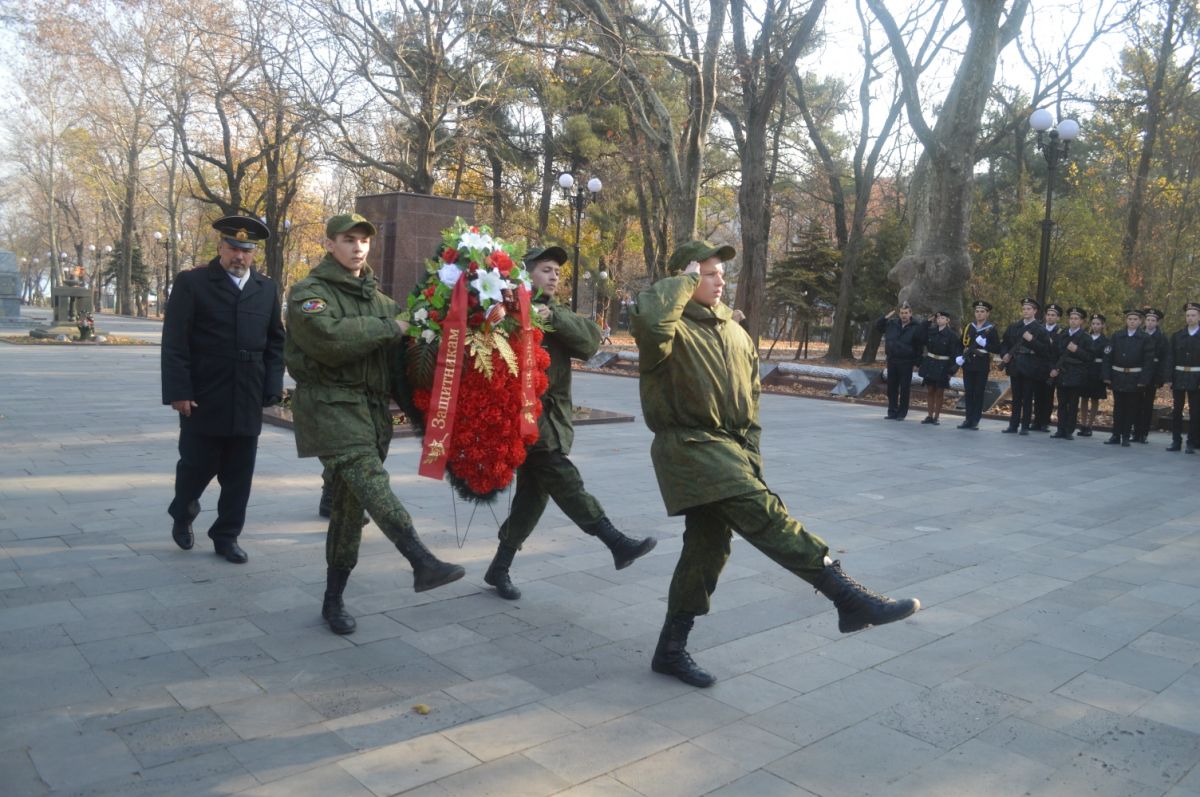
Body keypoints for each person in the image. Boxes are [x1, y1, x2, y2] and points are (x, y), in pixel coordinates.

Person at [631, 240, 920, 688]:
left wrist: (751, 463)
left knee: (707, 548)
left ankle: (671, 649)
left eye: (720, 273)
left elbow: (751, 407)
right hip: (688, 445)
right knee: (767, 519)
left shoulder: (736, 333)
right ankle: (848, 597)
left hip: (730, 450)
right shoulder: (667, 329)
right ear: (682, 279)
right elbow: (650, 321)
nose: (719, 279)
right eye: (706, 272)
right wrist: (684, 280)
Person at [285, 213, 465, 635]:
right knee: (371, 480)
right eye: (348, 240)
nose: (358, 247)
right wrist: (391, 327)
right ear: (330, 244)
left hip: (370, 415)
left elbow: (400, 372)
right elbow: (328, 339)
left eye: (364, 240)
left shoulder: (384, 303)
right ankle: (421, 559)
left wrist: (434, 420)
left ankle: (333, 599)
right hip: (331, 406)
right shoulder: (309, 292)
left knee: (349, 512)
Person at [483, 245, 656, 600]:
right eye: (546, 269)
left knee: (533, 498)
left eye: (557, 272)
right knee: (563, 478)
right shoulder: (506, 308)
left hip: (552, 418)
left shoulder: (556, 313)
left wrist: (553, 318)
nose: (554, 276)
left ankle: (499, 567)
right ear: (527, 273)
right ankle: (614, 540)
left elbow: (591, 342)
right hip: (523, 419)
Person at [161, 215, 285, 564]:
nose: (239, 256)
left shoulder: (266, 289)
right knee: (195, 466)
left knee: (239, 475)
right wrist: (178, 391)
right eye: (233, 248)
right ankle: (182, 512)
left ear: (254, 253)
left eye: (246, 250)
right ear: (221, 247)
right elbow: (175, 342)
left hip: (247, 394)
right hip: (204, 393)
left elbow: (276, 342)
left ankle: (226, 535)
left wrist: (272, 386)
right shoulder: (193, 283)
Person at [1103, 309, 1155, 447]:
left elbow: (1148, 362)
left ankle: (1126, 435)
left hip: (1134, 377)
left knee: (1131, 408)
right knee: (1118, 407)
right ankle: (1115, 434)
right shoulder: (1117, 335)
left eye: (1135, 319)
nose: (1132, 322)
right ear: (1126, 320)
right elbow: (1108, 357)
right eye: (1130, 319)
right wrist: (1107, 376)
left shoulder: (1145, 338)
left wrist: (1143, 380)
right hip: (1118, 376)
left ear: (1140, 322)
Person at [999, 298, 1051, 435]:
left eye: (1029, 309)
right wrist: (1004, 354)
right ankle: (1013, 425)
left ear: (1035, 311)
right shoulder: (1014, 327)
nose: (1026, 311)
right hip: (1015, 364)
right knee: (1016, 397)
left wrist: (1031, 340)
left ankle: (1025, 426)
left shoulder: (1040, 329)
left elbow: (1045, 350)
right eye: (1024, 309)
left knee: (1028, 397)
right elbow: (1005, 343)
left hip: (1030, 365)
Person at [875, 304, 925, 420]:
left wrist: (917, 362)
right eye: (902, 313)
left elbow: (919, 346)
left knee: (904, 388)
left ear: (910, 314)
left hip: (907, 361)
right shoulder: (892, 324)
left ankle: (902, 413)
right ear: (899, 314)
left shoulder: (916, 326)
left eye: (906, 313)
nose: (904, 315)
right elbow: (878, 327)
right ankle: (892, 411)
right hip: (892, 360)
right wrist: (885, 317)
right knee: (891, 387)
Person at [1049, 307, 1092, 440]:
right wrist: (1053, 368)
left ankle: (1069, 430)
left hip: (1076, 373)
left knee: (1072, 404)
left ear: (1081, 321)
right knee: (1061, 403)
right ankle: (1060, 429)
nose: (1073, 321)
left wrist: (1077, 350)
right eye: (1071, 318)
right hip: (1062, 373)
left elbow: (1089, 357)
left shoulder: (1085, 337)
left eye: (1076, 319)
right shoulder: (1061, 334)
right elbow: (1053, 354)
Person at [956, 300, 1000, 430]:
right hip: (968, 363)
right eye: (977, 311)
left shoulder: (991, 329)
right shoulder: (969, 327)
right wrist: (958, 356)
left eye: (982, 312)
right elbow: (960, 344)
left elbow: (997, 348)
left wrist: (985, 344)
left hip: (981, 364)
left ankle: (975, 420)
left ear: (987, 314)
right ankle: (968, 419)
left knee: (978, 392)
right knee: (969, 391)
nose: (979, 314)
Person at [1164, 302, 1200, 453]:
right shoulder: (1178, 336)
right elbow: (1170, 358)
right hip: (1179, 376)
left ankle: (1191, 441)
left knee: (1195, 411)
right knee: (1177, 410)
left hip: (1196, 377)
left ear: (1199, 317)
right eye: (1188, 315)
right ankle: (1176, 441)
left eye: (1193, 315)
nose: (1190, 318)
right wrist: (1168, 378)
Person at [918, 310, 960, 425]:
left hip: (943, 365)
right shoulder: (931, 331)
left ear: (947, 320)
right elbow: (920, 336)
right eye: (938, 318)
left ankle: (936, 416)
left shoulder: (952, 335)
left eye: (942, 318)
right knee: (930, 390)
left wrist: (951, 370)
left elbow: (954, 354)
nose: (939, 320)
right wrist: (927, 322)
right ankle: (929, 416)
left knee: (939, 392)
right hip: (931, 363)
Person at [1134, 308, 1168, 444]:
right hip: (1138, 373)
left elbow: (1164, 359)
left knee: (1147, 405)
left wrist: (1160, 378)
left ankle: (1144, 433)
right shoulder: (1138, 334)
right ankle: (1135, 431)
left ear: (1157, 322)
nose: (1150, 323)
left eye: (1153, 320)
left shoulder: (1161, 338)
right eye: (1148, 320)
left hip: (1152, 375)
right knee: (1136, 404)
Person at [1031, 303, 1063, 432]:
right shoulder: (1039, 328)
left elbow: (1059, 351)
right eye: (1048, 315)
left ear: (1058, 318)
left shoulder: (1060, 332)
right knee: (1037, 395)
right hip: (1038, 366)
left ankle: (1045, 421)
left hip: (1051, 367)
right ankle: (1036, 421)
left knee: (1048, 396)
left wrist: (1056, 368)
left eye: (1053, 315)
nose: (1050, 317)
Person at [1078, 313, 1108, 437]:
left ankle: (1090, 425)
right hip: (1085, 370)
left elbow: (1106, 358)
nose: (1095, 326)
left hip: (1097, 371)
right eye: (1094, 323)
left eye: (1098, 324)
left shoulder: (1106, 341)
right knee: (1084, 398)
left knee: (1095, 398)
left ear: (1103, 325)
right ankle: (1083, 424)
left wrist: (1105, 375)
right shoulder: (1085, 337)